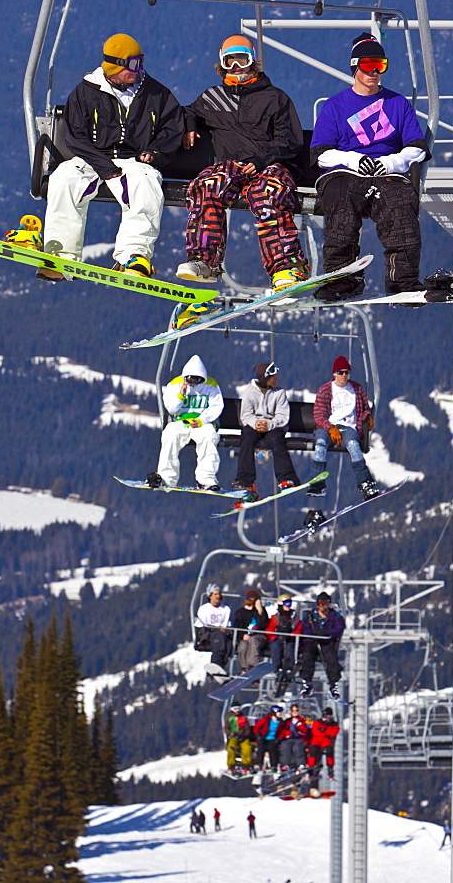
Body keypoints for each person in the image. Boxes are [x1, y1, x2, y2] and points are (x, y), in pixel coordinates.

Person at [36, 33, 184, 281]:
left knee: (146, 184)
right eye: (133, 64)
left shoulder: (156, 93)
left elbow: (173, 128)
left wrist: (154, 153)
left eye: (141, 62)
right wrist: (103, 165)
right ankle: (59, 255)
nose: (138, 70)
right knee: (64, 179)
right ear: (115, 66)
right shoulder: (85, 92)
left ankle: (134, 257)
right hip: (92, 157)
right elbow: (75, 137)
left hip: (135, 160)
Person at [175, 33, 308, 296]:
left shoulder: (274, 98)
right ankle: (204, 260)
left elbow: (291, 140)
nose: (237, 68)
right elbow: (188, 110)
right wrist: (189, 124)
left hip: (269, 165)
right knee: (205, 185)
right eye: (230, 62)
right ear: (222, 64)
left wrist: (261, 160)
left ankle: (286, 267)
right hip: (231, 166)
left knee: (267, 193)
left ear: (253, 62)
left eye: (242, 61)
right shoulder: (214, 97)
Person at [310, 31, 431, 300]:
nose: (375, 72)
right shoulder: (335, 106)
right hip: (344, 172)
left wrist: (390, 162)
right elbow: (321, 153)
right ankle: (342, 278)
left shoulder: (397, 104)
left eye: (381, 66)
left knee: (400, 203)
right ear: (355, 67)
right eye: (368, 65)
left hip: (386, 173)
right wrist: (353, 159)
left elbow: (417, 147)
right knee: (341, 205)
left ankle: (403, 280)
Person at [305, 355, 380, 530]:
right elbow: (319, 414)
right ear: (334, 373)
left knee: (354, 446)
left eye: (346, 372)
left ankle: (365, 483)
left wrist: (367, 417)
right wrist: (329, 427)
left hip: (348, 427)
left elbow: (364, 408)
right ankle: (317, 481)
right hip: (329, 426)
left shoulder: (357, 389)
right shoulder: (325, 390)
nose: (344, 375)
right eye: (340, 372)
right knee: (321, 445)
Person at [146, 354, 224, 490]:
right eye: (190, 379)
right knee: (170, 434)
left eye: (197, 380)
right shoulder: (176, 384)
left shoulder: (211, 385)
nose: (193, 383)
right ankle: (166, 477)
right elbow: (171, 408)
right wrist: (181, 395)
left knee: (209, 437)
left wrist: (202, 419)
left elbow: (216, 406)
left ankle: (206, 479)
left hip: (202, 422)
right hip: (181, 420)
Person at [232, 362, 300, 502]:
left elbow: (283, 416)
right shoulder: (250, 392)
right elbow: (246, 415)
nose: (276, 378)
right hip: (254, 425)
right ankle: (245, 481)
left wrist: (269, 424)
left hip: (273, 426)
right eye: (273, 376)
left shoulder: (279, 392)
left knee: (276, 440)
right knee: (247, 438)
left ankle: (287, 479)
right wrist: (256, 424)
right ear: (265, 378)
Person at [299, 592, 346, 698]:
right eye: (319, 603)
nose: (321, 605)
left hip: (326, 642)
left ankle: (333, 684)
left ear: (328, 604)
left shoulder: (335, 616)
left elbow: (339, 629)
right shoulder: (310, 616)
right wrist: (313, 633)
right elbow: (304, 629)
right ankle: (307, 683)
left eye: (323, 603)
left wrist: (326, 632)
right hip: (312, 642)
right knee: (307, 656)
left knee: (331, 659)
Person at [194, 584, 232, 671]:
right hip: (209, 633)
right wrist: (218, 629)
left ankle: (221, 667)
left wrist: (225, 629)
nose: (218, 596)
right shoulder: (204, 609)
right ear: (210, 596)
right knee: (219, 642)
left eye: (219, 594)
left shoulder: (226, 609)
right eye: (215, 594)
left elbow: (228, 624)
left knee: (229, 646)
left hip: (223, 633)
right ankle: (216, 665)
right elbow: (204, 624)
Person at [232, 589, 270, 669]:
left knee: (253, 641)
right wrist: (242, 636)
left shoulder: (260, 611)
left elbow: (263, 625)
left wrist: (260, 612)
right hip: (245, 637)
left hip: (259, 636)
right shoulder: (240, 612)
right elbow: (237, 627)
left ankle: (253, 664)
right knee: (243, 646)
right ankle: (244, 667)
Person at [266, 596, 300, 676]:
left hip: (289, 639)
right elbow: (269, 629)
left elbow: (298, 628)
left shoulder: (294, 617)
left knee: (290, 647)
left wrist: (292, 635)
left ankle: (289, 668)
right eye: (287, 603)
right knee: (275, 647)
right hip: (278, 639)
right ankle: (277, 668)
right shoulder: (275, 618)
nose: (289, 606)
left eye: (290, 604)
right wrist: (276, 634)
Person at [307, 708, 340, 785]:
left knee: (329, 751)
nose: (325, 718)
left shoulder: (334, 725)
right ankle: (311, 769)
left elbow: (333, 733)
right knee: (313, 750)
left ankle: (330, 770)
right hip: (316, 741)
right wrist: (325, 734)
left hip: (326, 742)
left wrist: (322, 732)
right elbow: (315, 732)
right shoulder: (317, 722)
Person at [278, 703, 311, 771]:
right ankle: (285, 764)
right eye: (293, 711)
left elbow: (304, 731)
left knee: (297, 748)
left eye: (296, 710)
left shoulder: (301, 720)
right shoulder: (287, 721)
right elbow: (283, 730)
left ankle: (301, 764)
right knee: (285, 746)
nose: (294, 712)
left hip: (299, 738)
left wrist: (298, 726)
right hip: (289, 738)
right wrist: (286, 734)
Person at [253, 704, 284, 772]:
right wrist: (258, 735)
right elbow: (256, 727)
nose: (281, 714)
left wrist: (279, 738)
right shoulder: (266, 720)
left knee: (272, 749)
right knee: (261, 749)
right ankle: (258, 764)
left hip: (273, 738)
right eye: (279, 712)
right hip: (263, 737)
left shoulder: (280, 722)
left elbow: (282, 731)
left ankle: (273, 765)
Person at [224, 700, 253, 773]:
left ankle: (246, 765)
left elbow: (247, 729)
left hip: (243, 737)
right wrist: (231, 734)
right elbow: (226, 729)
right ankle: (231, 765)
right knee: (231, 748)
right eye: (235, 709)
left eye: (238, 709)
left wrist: (244, 736)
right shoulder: (229, 718)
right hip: (234, 736)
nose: (237, 711)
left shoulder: (244, 718)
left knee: (247, 748)